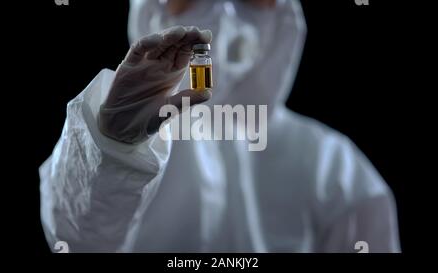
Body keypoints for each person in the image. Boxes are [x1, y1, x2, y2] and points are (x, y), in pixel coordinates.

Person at [39, 0, 400, 252]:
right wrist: (109, 148)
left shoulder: (333, 167)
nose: (224, 11)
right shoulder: (125, 135)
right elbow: (75, 242)